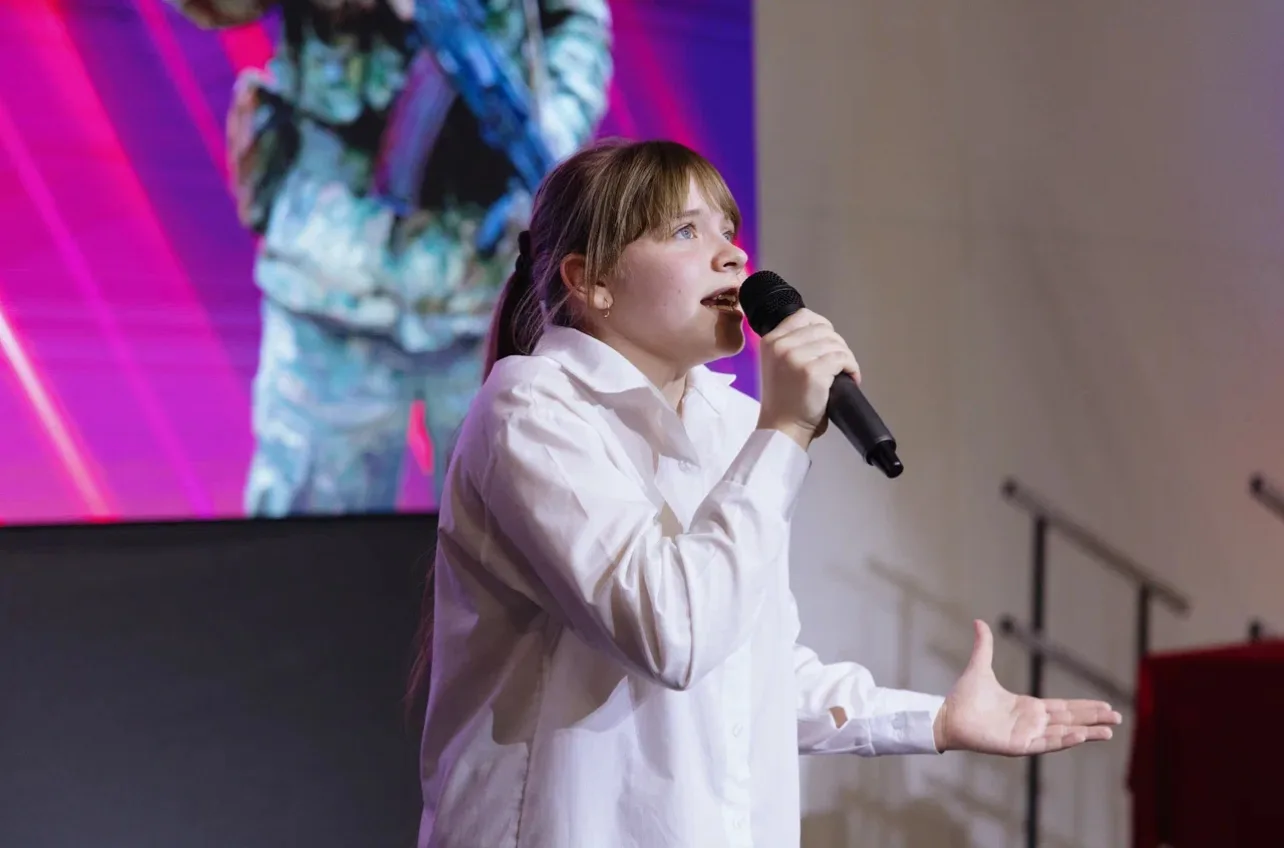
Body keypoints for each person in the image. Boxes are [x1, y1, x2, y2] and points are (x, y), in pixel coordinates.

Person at [407, 138, 1123, 847]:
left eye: (729, 230)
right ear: (590, 281)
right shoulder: (532, 406)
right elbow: (672, 635)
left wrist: (933, 721)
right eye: (686, 231)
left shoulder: (730, 423)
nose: (732, 256)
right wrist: (784, 430)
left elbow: (752, 672)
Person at [168, 0, 613, 514]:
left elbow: (576, 22)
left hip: (488, 291)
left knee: (507, 534)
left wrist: (554, 135)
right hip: (331, 282)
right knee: (306, 544)